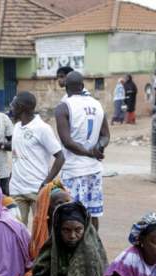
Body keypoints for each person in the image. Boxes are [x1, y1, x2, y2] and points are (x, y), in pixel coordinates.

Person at [55, 71, 109, 230]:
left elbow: (67, 142)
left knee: (70, 216)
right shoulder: (97, 104)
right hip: (94, 170)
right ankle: (93, 243)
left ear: (66, 87)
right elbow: (106, 135)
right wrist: (98, 148)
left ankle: (76, 246)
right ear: (83, 86)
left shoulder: (63, 107)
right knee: (92, 215)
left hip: (73, 171)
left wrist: (89, 152)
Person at [9, 91, 64, 226]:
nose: (11, 107)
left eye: (13, 104)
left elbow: (60, 157)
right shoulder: (17, 127)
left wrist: (46, 182)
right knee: (16, 230)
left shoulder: (42, 128)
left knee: (40, 230)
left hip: (36, 189)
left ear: (21, 107)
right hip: (16, 189)